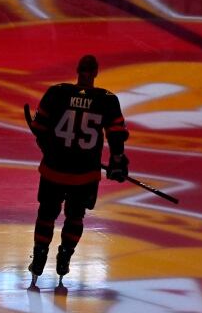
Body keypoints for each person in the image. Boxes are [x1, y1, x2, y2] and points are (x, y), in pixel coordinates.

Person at [27, 54, 130, 289]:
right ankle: (65, 258)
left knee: (46, 214)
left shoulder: (56, 93)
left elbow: (40, 129)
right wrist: (117, 161)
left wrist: (47, 145)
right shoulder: (107, 100)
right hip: (84, 174)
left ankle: (40, 256)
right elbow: (116, 135)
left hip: (54, 170)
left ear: (77, 70)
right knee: (75, 217)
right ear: (95, 72)